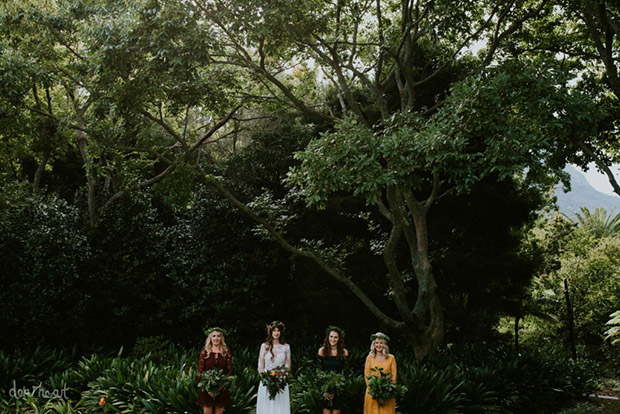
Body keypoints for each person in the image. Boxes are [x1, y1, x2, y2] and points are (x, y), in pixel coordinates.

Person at [257, 321, 291, 414]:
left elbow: (287, 366)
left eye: (278, 330)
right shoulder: (264, 346)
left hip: (281, 382)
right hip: (266, 381)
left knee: (280, 406)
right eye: (274, 330)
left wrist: (281, 379)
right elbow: (260, 366)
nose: (276, 333)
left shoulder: (286, 347)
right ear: (270, 332)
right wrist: (266, 380)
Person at [197, 328, 233, 414]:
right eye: (214, 336)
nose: (216, 338)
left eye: (218, 336)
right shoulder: (205, 353)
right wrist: (208, 388)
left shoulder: (226, 353)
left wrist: (221, 386)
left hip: (221, 388)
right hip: (207, 389)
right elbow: (200, 370)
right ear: (210, 338)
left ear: (221, 338)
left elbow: (229, 370)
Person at [318, 326, 349, 414]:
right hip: (325, 388)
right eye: (331, 336)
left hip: (339, 388)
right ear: (328, 337)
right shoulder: (322, 351)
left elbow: (346, 372)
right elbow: (319, 371)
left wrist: (337, 388)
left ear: (339, 338)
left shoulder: (344, 352)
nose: (333, 339)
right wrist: (324, 390)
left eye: (336, 337)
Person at [363, 332, 397, 414]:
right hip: (372, 394)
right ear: (373, 344)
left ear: (384, 344)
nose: (378, 345)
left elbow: (393, 376)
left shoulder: (391, 358)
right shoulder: (369, 358)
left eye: (381, 343)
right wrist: (375, 392)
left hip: (386, 395)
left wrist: (386, 393)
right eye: (376, 343)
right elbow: (367, 376)